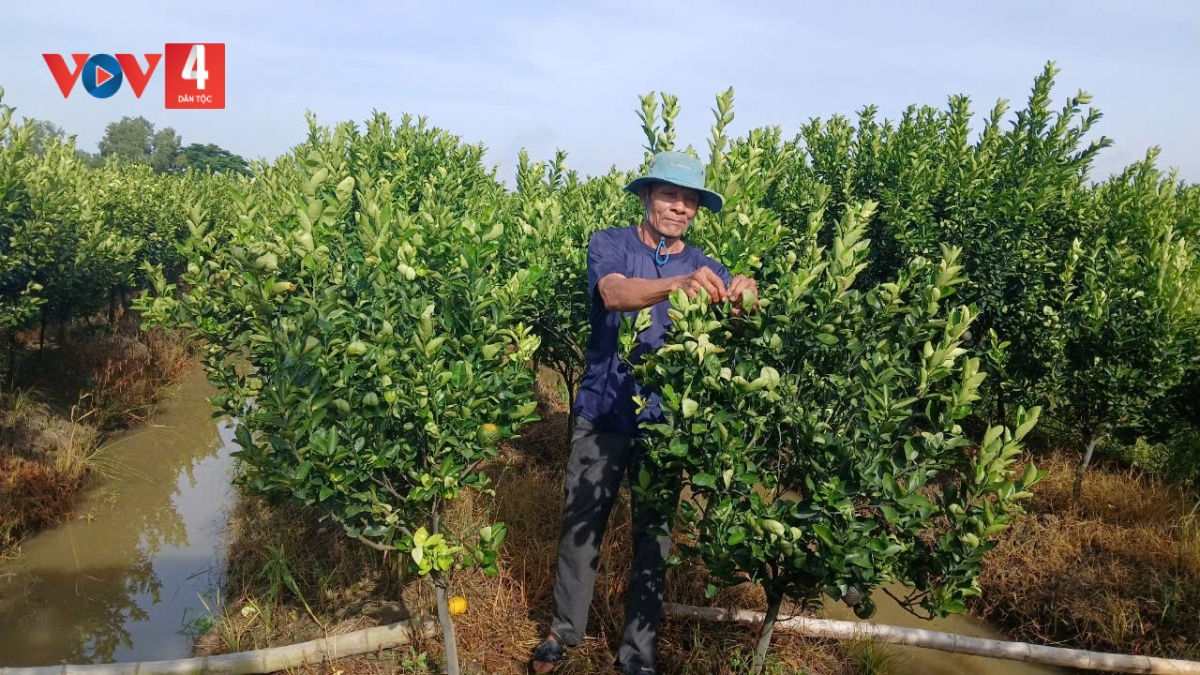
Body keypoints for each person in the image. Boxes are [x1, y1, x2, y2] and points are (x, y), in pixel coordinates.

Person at [529, 151, 758, 675]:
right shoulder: (610, 243)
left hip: (662, 425)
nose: (679, 207)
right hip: (603, 415)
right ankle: (563, 634)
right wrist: (676, 285)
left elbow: (741, 309)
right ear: (646, 197)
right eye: (669, 195)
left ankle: (636, 654)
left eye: (689, 200)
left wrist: (746, 294)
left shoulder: (705, 264)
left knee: (653, 540)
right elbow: (613, 293)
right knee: (581, 529)